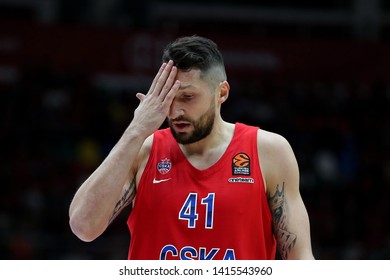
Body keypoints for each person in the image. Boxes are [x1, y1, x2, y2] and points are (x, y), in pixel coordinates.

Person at [69, 35, 315, 260]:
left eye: (187, 97)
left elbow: (301, 260)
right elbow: (83, 227)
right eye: (168, 98)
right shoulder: (144, 149)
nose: (175, 112)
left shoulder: (269, 152)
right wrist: (136, 130)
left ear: (222, 93)